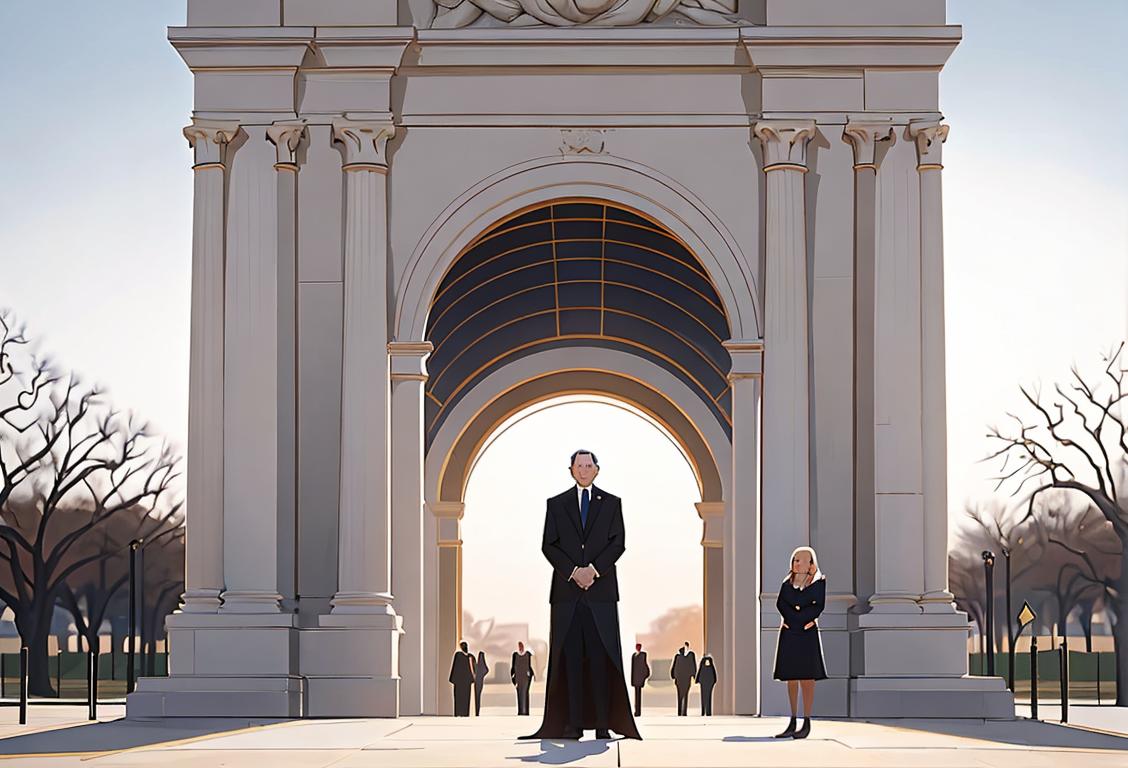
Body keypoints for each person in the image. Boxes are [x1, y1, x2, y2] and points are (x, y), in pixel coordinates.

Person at [523, 450, 641, 741]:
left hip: (601, 594)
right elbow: (549, 545)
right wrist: (574, 571)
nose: (584, 470)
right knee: (571, 659)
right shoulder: (557, 504)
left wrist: (594, 570)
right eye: (580, 465)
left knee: (602, 658)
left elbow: (618, 543)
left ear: (597, 470)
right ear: (571, 470)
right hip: (567, 594)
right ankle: (572, 725)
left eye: (589, 465)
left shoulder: (612, 503)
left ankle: (604, 725)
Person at [772, 546, 827, 739]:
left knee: (807, 677)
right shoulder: (787, 582)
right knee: (791, 676)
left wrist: (799, 618)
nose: (796, 563)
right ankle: (793, 719)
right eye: (794, 559)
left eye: (800, 559)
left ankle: (807, 720)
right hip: (790, 633)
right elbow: (781, 604)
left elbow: (817, 606)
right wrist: (796, 618)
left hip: (806, 634)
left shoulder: (819, 582)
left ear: (810, 563)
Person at [670, 642, 696, 716]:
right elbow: (674, 667)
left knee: (684, 694)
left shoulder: (690, 655)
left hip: (684, 678)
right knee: (681, 695)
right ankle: (680, 711)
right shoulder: (678, 657)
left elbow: (693, 666)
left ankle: (683, 711)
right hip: (681, 679)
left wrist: (694, 676)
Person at [449, 641, 475, 717]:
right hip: (466, 681)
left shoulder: (458, 655)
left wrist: (453, 679)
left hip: (459, 681)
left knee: (459, 698)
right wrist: (472, 679)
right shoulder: (470, 656)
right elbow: (472, 669)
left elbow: (455, 667)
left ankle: (458, 713)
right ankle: (465, 713)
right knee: (466, 698)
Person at [511, 641, 535, 715]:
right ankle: (521, 711)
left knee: (525, 693)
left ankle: (525, 711)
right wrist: (513, 680)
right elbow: (513, 668)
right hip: (518, 677)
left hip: (525, 678)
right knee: (519, 693)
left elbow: (530, 666)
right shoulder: (515, 655)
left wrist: (531, 676)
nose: (521, 648)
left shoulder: (528, 654)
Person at [630, 643, 650, 717]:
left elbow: (644, 666)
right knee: (636, 696)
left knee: (638, 696)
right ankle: (637, 711)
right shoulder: (634, 656)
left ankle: (638, 712)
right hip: (635, 679)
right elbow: (633, 668)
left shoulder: (642, 655)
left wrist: (644, 676)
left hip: (639, 679)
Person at [474, 650, 488, 716]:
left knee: (476, 697)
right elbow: (486, 670)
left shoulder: (476, 665)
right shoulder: (481, 666)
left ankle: (476, 711)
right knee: (478, 697)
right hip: (479, 683)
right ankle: (477, 711)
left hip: (476, 683)